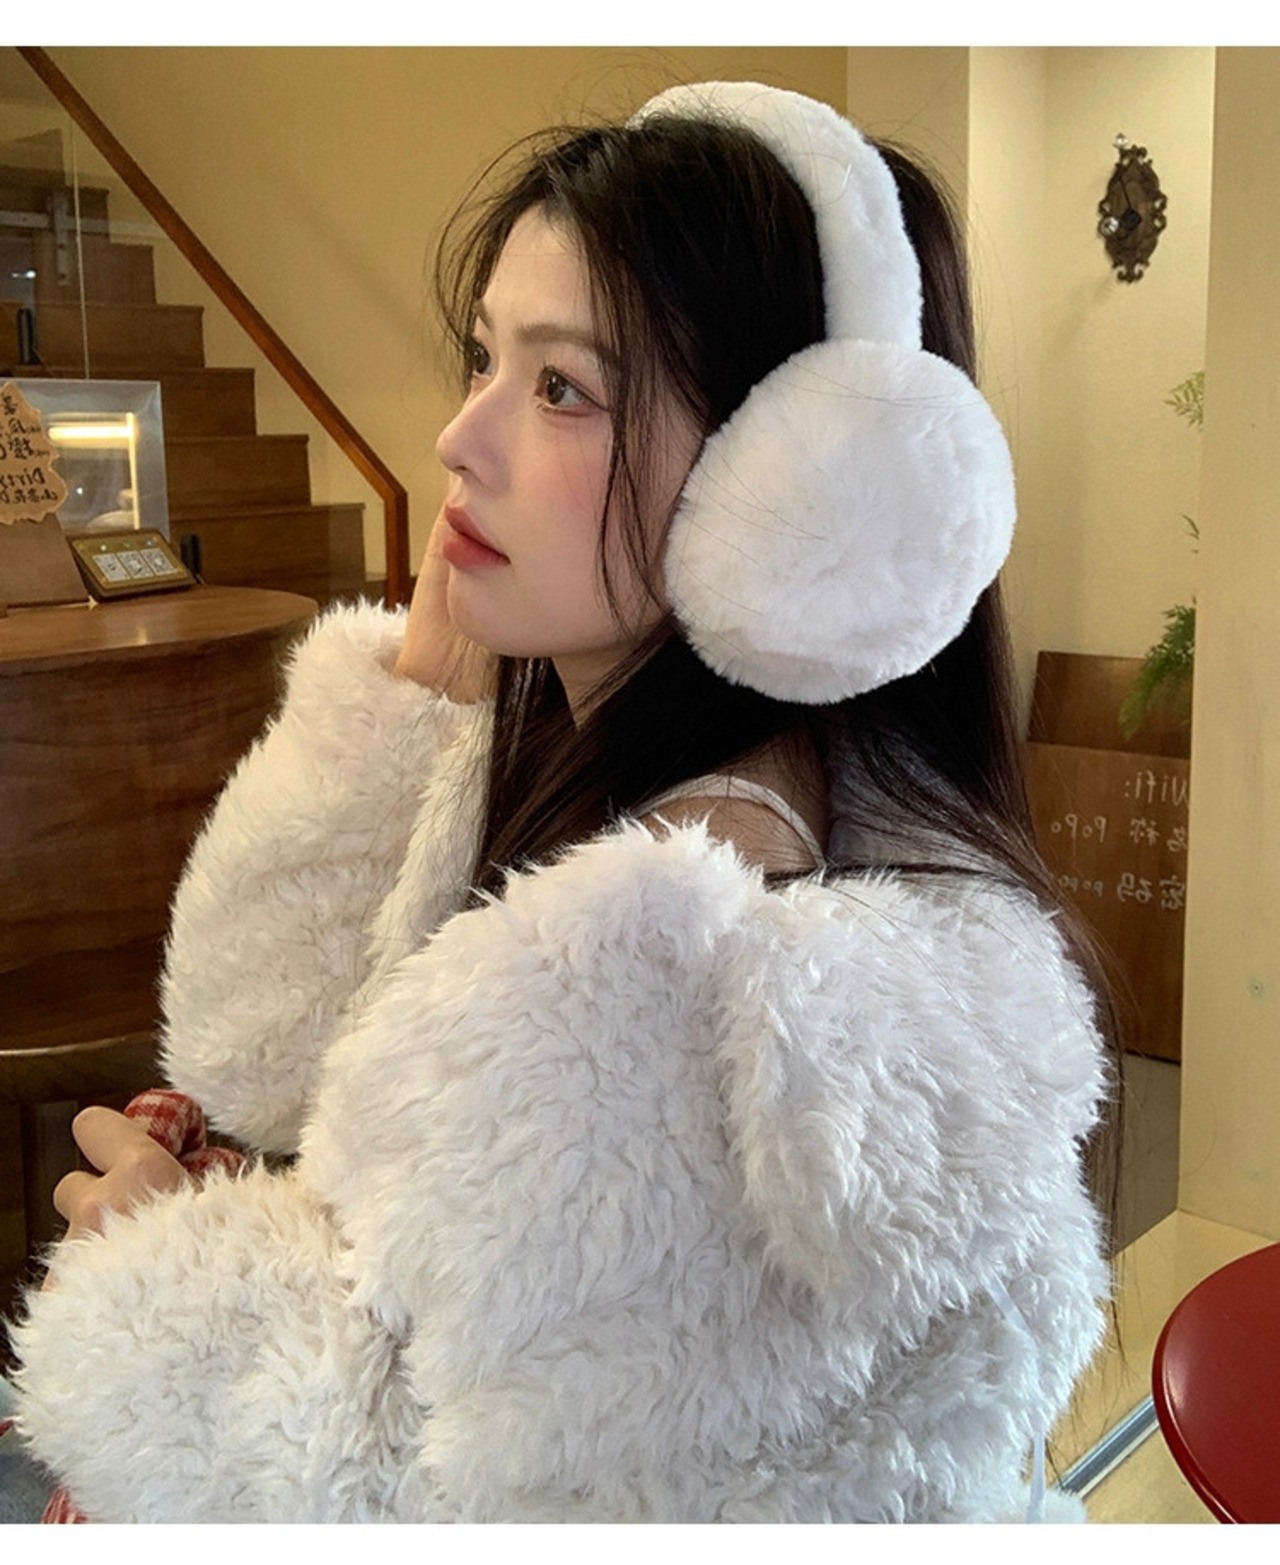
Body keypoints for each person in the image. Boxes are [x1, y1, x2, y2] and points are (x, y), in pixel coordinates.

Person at [8, 81, 1112, 1523]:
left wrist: (161, 1270)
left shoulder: (663, 962)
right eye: (487, 359)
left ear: (786, 496)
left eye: (561, 389)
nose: (460, 437)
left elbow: (398, 1497)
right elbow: (261, 1055)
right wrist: (410, 701)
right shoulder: (665, 783)